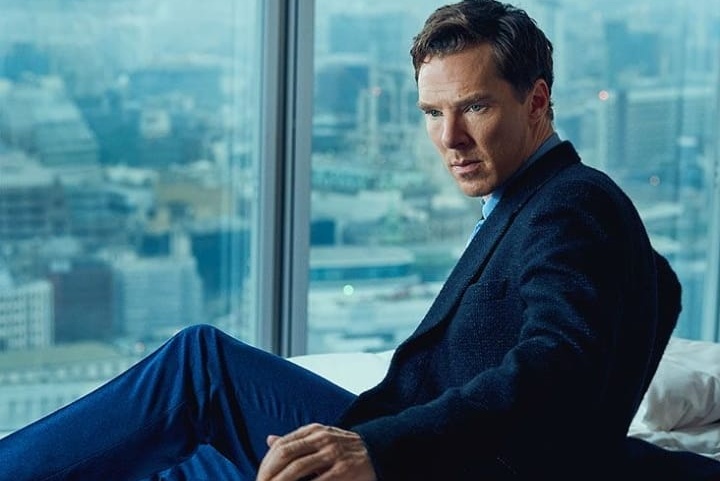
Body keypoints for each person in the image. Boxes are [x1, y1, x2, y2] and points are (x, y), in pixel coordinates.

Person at [1, 1, 720, 479]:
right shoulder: (551, 208)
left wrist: (378, 446)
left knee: (200, 367)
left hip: (422, 458)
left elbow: (558, 366)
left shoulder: (572, 202)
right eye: (432, 112)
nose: (449, 138)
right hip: (422, 444)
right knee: (184, 463)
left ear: (536, 101)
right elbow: (641, 304)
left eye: (474, 107)